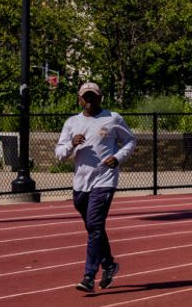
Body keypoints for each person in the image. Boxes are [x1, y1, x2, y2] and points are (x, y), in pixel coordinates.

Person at [55, 81, 137, 292]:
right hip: (81, 184)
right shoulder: (72, 122)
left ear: (100, 97)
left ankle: (89, 275)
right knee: (94, 227)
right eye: (86, 97)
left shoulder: (113, 118)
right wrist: (72, 143)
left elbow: (130, 141)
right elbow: (59, 155)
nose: (89, 100)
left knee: (94, 225)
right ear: (80, 98)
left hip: (104, 181)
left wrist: (117, 157)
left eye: (93, 96)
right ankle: (109, 265)